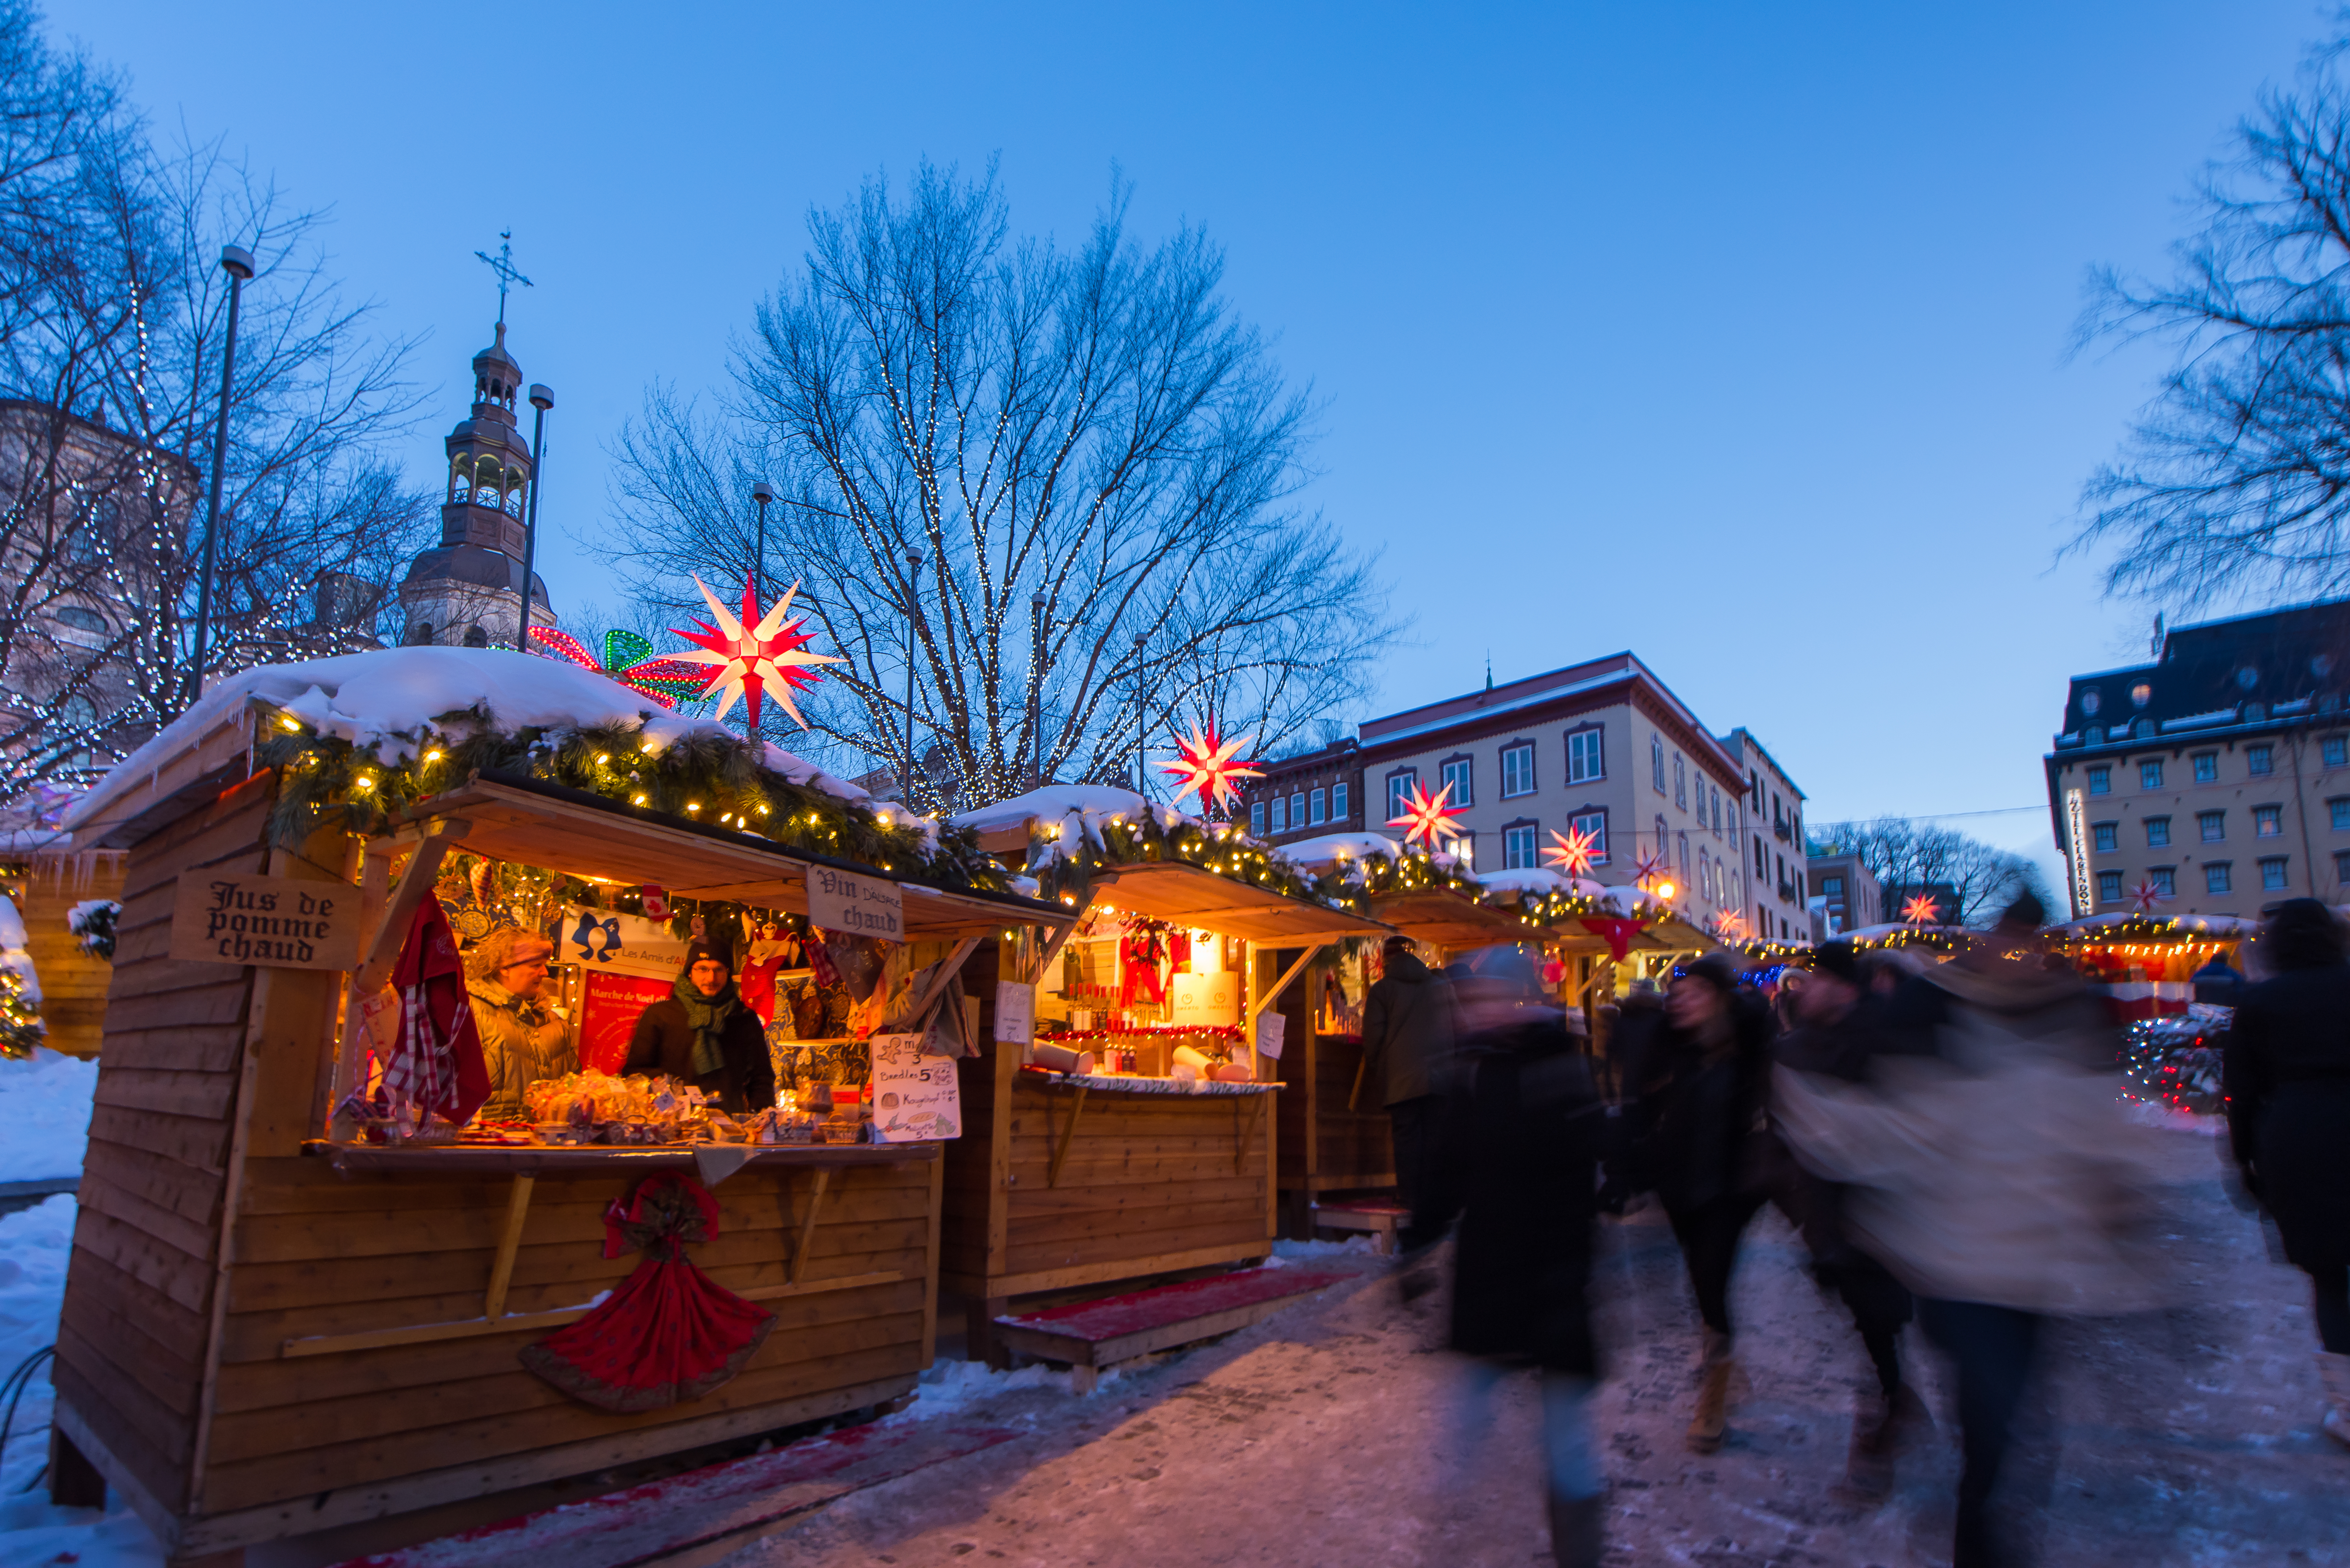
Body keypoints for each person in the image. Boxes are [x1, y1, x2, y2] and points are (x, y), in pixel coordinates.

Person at [1774, 895, 2163, 1568]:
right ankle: (1980, 1539)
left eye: (2025, 943)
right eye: (2006, 941)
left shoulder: (2060, 1029)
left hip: (2024, 1269)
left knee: (2008, 1427)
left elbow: (2092, 1139)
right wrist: (1809, 1112)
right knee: (1994, 1422)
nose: (2014, 955)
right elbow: (1888, 1131)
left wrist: (2118, 1212)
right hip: (1956, 1264)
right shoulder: (1942, 1027)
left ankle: (1982, 1523)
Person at [1401, 946, 1615, 1568]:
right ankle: (1446, 1544)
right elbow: (1448, 1169)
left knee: (1566, 1440)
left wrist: (1567, 1276)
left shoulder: (1563, 1070)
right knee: (1462, 1423)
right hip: (1490, 1271)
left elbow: (1586, 1181)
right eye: (1470, 1001)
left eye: (1489, 997)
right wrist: (1419, 1240)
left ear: (1522, 1000)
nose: (1476, 1011)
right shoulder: (1473, 1072)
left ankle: (1580, 1551)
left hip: (1554, 1276)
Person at [1770, 940, 1922, 1494]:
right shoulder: (1798, 1046)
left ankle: (1890, 1413)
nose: (1804, 987)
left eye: (1817, 978)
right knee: (1872, 1323)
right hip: (1833, 1217)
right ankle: (1893, 1400)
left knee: (1883, 1320)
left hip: (1885, 1210)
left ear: (1846, 986)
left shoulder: (1881, 1040)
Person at [1627, 953, 1774, 1452]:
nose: (1680, 1000)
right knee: (1701, 1280)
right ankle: (1722, 1355)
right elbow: (1642, 1116)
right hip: (1681, 1189)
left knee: (1711, 1280)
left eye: (1693, 992)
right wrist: (1631, 1171)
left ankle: (1712, 1395)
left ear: (1717, 997)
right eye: (1677, 992)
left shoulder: (1748, 1043)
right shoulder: (1665, 1045)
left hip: (1731, 1190)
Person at [2222, 898, 2350, 1448]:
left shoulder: (2261, 1002)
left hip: (2298, 1140)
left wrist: (2245, 1161)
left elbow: (2242, 1093)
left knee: (2330, 1278)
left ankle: (2348, 1408)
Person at [1359, 934, 1458, 1213]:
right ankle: (1434, 1197)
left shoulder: (1382, 991)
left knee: (1407, 1140)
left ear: (1387, 959)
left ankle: (1408, 1196)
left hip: (1401, 1079)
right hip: (1441, 1076)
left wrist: (1380, 1069)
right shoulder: (1441, 986)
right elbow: (1460, 1026)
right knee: (1434, 1138)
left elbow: (1374, 1037)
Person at [626, 937, 778, 1113]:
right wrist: (668, 1102)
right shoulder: (660, 1015)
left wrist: (763, 1120)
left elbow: (761, 1078)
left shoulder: (745, 1019)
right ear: (690, 971)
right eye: (703, 969)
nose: (711, 978)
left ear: (728, 973)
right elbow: (636, 1073)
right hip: (670, 1126)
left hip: (728, 1127)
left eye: (719, 970)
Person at [465, 927, 574, 1121]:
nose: (545, 972)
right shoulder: (470, 1012)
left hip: (545, 1140)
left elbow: (572, 1085)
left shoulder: (554, 1022)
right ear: (505, 967)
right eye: (535, 965)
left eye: (544, 964)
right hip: (486, 1140)